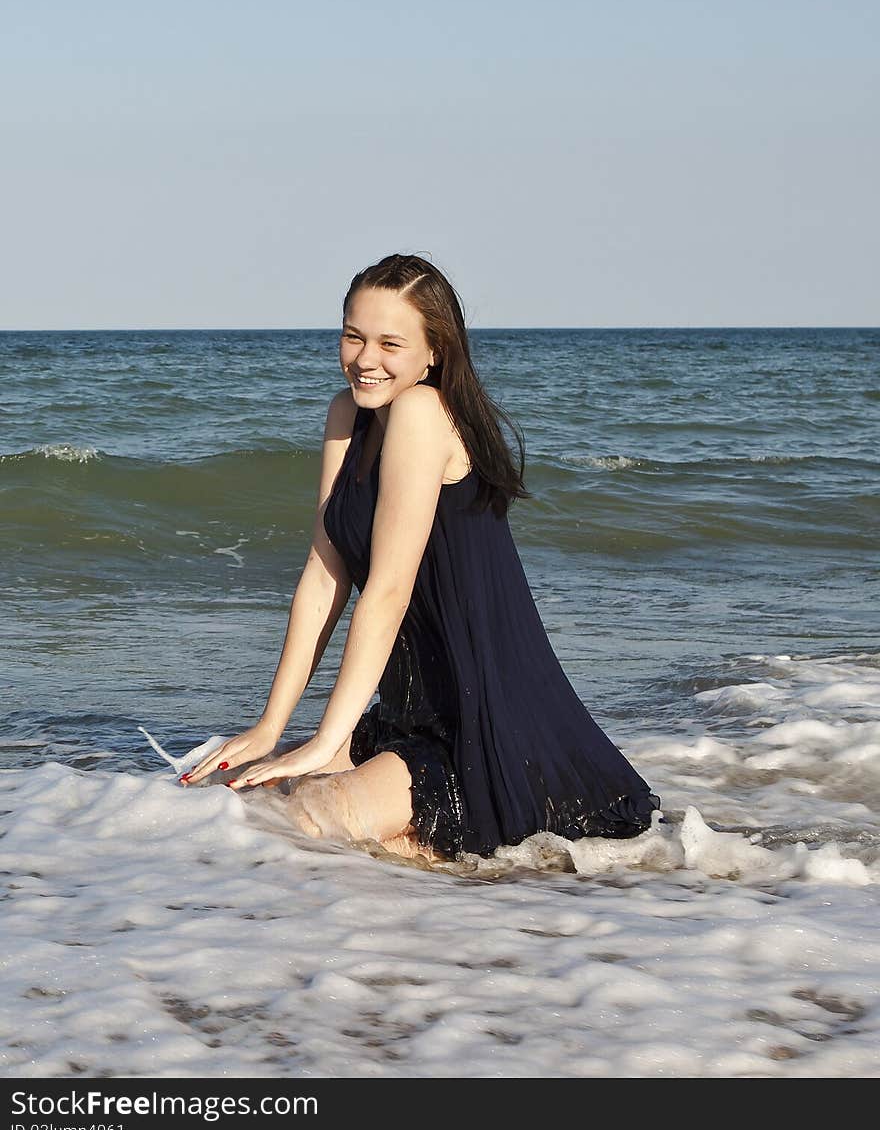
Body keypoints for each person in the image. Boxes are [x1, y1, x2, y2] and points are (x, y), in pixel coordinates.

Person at [181, 253, 660, 861]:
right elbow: (323, 573)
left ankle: (440, 897)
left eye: (390, 343)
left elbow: (386, 590)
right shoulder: (346, 414)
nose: (366, 359)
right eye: (353, 336)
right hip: (411, 711)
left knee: (307, 819)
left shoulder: (421, 412)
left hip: (484, 721)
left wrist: (329, 738)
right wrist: (270, 728)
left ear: (434, 351)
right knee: (246, 802)